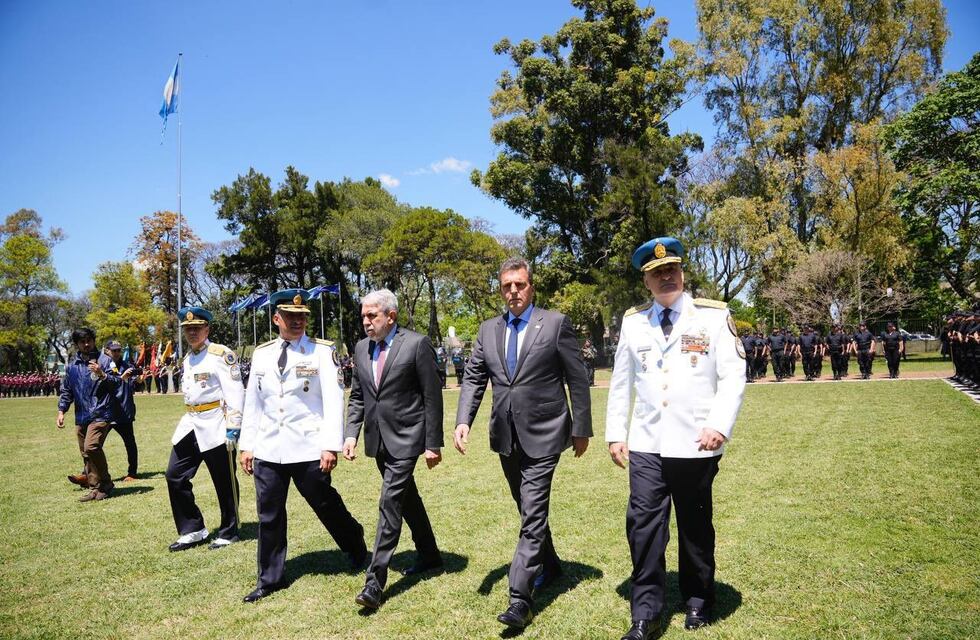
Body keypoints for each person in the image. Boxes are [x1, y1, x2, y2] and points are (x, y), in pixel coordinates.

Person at [605, 237, 746, 639]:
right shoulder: (633, 323)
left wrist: (719, 424)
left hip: (696, 441)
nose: (666, 276)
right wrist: (616, 432)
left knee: (695, 522)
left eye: (671, 270)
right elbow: (621, 382)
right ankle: (645, 613)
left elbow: (733, 376)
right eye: (656, 273)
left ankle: (698, 598)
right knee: (644, 525)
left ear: (682, 274)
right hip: (647, 441)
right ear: (646, 282)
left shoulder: (713, 318)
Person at [454, 257, 592, 630]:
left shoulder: (555, 323)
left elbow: (576, 379)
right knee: (526, 507)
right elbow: (474, 378)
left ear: (531, 287)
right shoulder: (487, 330)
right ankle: (552, 565)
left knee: (532, 512)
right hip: (505, 435)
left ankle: (520, 598)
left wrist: (582, 427)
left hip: (547, 430)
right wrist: (463, 420)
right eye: (506, 286)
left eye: (520, 284)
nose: (513, 291)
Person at [239, 289, 367, 603]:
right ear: (276, 318)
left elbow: (334, 401)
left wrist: (330, 446)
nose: (297, 321)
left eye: (302, 316)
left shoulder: (322, 352)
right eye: (290, 316)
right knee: (269, 514)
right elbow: (253, 402)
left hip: (309, 446)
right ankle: (270, 578)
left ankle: (355, 545)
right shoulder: (262, 354)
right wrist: (247, 445)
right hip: (269, 447)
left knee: (325, 504)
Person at [343, 288, 444, 610]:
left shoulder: (416, 344)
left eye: (372, 315)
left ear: (391, 316)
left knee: (389, 503)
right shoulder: (360, 348)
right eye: (363, 316)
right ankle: (429, 554)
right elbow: (358, 396)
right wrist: (350, 434)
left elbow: (432, 395)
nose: (366, 322)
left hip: (408, 437)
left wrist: (432, 443)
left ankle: (374, 582)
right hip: (377, 439)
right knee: (406, 499)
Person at [165, 307, 245, 552]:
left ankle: (229, 531)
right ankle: (193, 529)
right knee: (174, 475)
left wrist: (234, 426)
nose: (192, 332)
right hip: (191, 422)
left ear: (207, 329)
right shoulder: (188, 359)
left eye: (197, 328)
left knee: (224, 481)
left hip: (216, 423)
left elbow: (235, 392)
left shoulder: (220, 354)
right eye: (188, 329)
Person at [57, 327, 119, 502]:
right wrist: (61, 410)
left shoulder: (106, 361)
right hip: (82, 415)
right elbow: (67, 390)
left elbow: (117, 383)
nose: (86, 344)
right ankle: (94, 488)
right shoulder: (72, 366)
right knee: (86, 453)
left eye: (89, 340)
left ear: (93, 341)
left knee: (91, 447)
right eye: (82, 342)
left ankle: (106, 483)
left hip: (101, 412)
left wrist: (101, 374)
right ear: (77, 344)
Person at [99, 340, 139, 481]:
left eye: (118, 350)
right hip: (107, 411)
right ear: (107, 351)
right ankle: (87, 474)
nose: (116, 353)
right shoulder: (101, 366)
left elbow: (134, 383)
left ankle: (132, 473)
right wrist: (122, 377)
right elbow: (105, 384)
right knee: (95, 444)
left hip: (123, 411)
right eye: (113, 350)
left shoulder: (127, 365)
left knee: (130, 443)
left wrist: (139, 379)